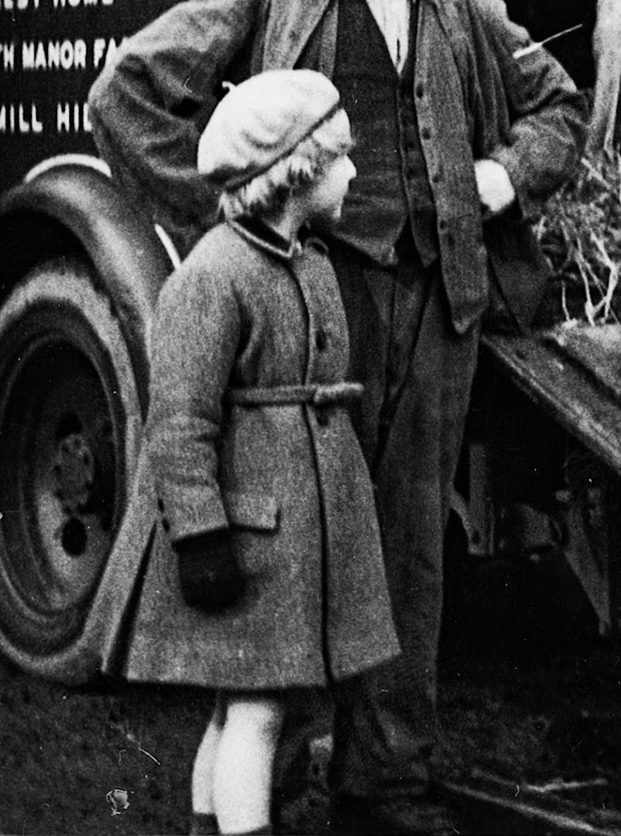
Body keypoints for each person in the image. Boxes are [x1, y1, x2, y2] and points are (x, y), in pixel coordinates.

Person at [90, 0, 589, 835]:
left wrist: (501, 178)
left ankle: (384, 783)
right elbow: (128, 90)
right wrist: (232, 214)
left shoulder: (467, 11)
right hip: (311, 308)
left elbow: (560, 106)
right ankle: (262, 789)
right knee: (297, 546)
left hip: (439, 302)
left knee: (408, 546)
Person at [90, 70, 398, 836]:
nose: (351, 173)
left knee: (239, 709)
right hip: (244, 537)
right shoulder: (214, 275)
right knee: (256, 714)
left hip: (283, 542)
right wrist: (200, 534)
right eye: (339, 158)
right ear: (296, 172)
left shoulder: (307, 261)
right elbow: (178, 422)